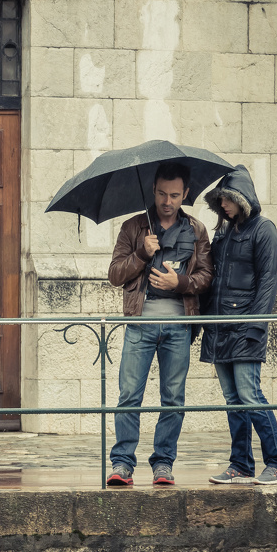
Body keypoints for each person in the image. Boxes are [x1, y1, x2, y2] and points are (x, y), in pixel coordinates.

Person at [107, 162, 213, 487]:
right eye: (163, 194)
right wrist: (141, 253)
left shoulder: (196, 230)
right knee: (128, 395)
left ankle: (163, 465)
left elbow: (206, 277)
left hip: (179, 326)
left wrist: (178, 283)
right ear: (153, 190)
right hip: (140, 323)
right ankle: (122, 465)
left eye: (175, 195)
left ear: (186, 194)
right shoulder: (134, 227)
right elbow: (114, 275)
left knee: (174, 398)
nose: (168, 201)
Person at [200, 164, 277, 485]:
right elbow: (212, 280)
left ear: (241, 197)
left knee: (251, 395)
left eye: (227, 198)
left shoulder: (264, 230)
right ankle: (240, 464)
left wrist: (256, 328)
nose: (222, 204)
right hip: (220, 328)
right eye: (219, 199)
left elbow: (268, 283)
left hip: (246, 328)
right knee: (232, 400)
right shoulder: (223, 232)